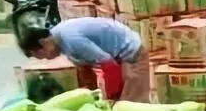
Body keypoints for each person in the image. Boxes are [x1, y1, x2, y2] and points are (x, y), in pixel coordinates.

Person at [18, 17, 149, 102]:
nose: (47, 59)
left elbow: (109, 65)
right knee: (119, 104)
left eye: (44, 55)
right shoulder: (59, 39)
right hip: (116, 57)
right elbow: (85, 69)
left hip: (131, 52)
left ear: (43, 43)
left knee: (131, 104)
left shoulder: (71, 39)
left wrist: (111, 98)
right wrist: (89, 96)